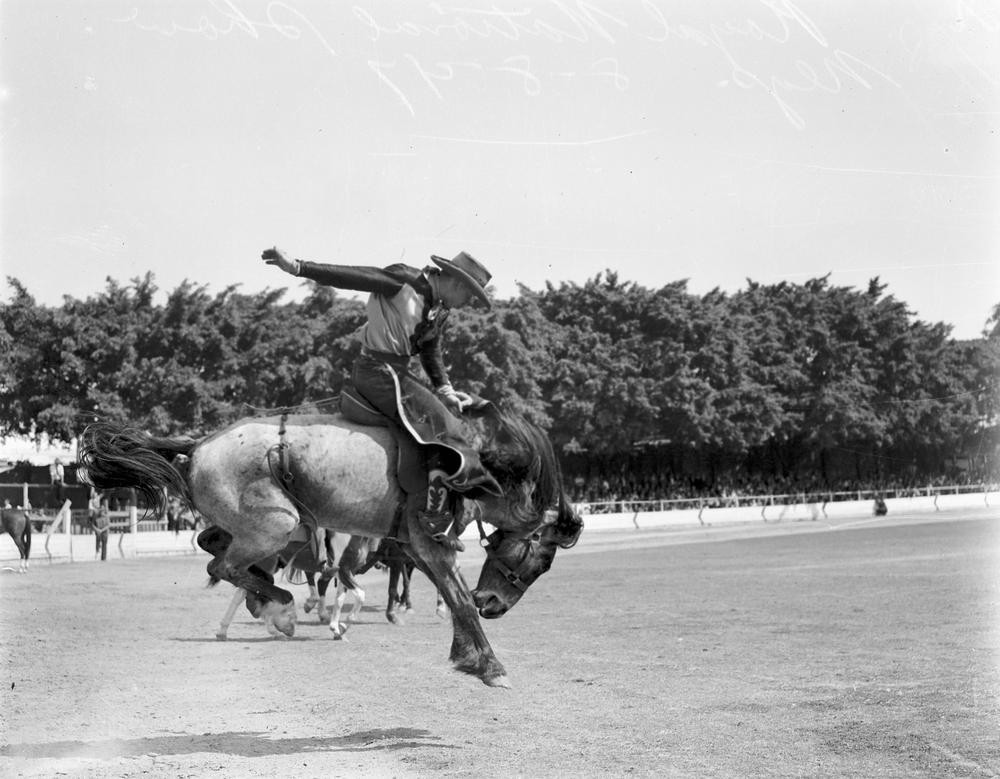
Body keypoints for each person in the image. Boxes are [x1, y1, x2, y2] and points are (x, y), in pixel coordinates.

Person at [262, 246, 502, 549]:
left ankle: (432, 508)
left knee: (447, 420)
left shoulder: (440, 309)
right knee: (448, 428)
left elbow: (430, 350)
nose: (466, 304)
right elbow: (353, 277)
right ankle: (433, 515)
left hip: (397, 373)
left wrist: (446, 391)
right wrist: (298, 267)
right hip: (377, 372)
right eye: (468, 297)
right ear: (457, 283)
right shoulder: (404, 280)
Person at [89, 490, 111, 561]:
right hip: (98, 532)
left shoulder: (106, 516)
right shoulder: (96, 515)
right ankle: (97, 555)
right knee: (98, 542)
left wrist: (101, 530)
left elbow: (108, 525)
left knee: (104, 544)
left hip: (103, 532)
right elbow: (92, 524)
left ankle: (103, 558)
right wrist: (97, 530)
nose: (102, 510)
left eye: (103, 509)